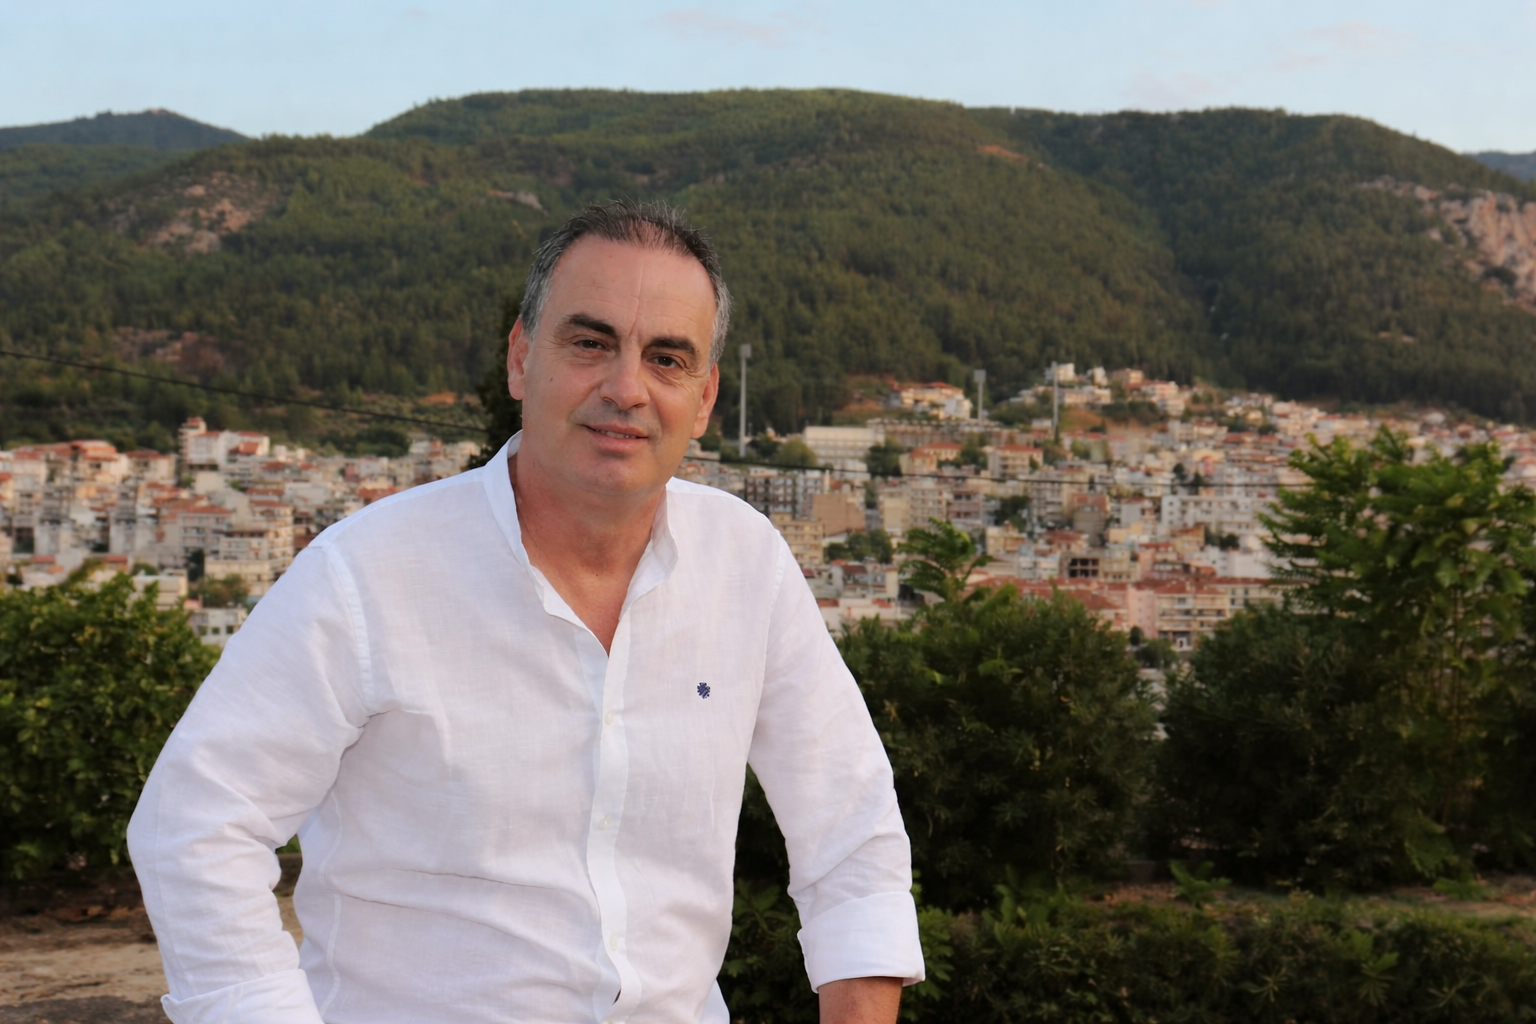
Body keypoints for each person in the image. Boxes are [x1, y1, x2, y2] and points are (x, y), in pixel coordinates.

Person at [128, 199, 924, 1024]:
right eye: (590, 343)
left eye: (666, 359)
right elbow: (195, 825)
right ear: (520, 357)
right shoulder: (366, 574)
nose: (626, 389)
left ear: (705, 397)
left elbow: (850, 822)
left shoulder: (746, 563)